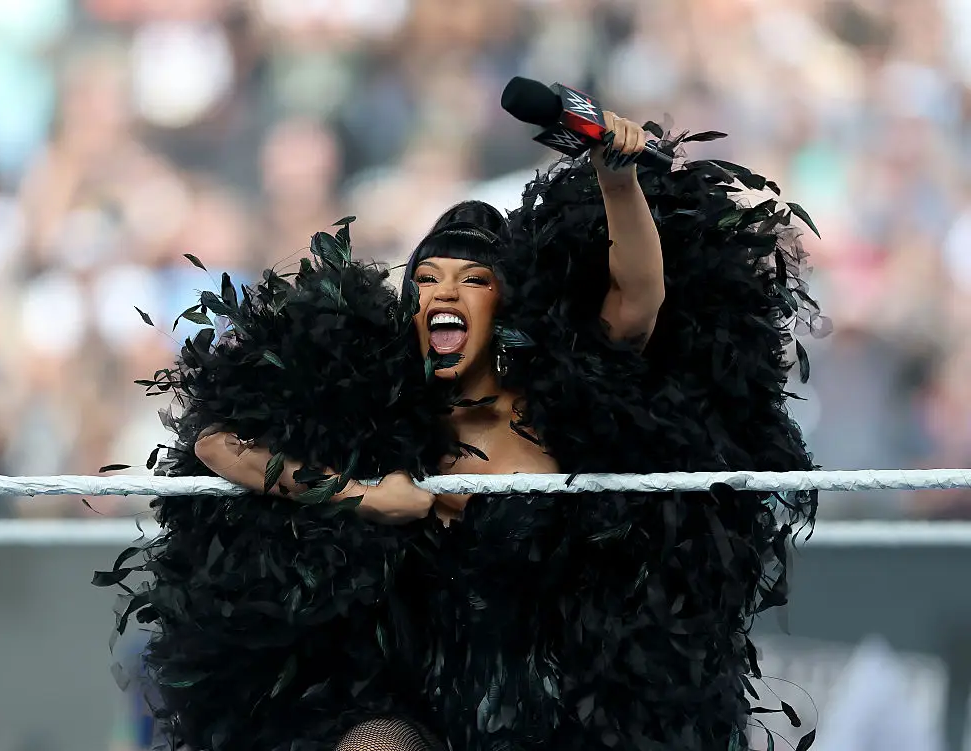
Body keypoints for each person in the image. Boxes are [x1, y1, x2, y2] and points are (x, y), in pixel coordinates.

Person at [96, 113, 823, 751]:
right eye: (428, 279)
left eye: (470, 279)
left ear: (504, 307)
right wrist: (363, 496)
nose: (444, 292)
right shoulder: (392, 415)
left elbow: (638, 302)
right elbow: (218, 443)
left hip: (562, 717)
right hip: (415, 708)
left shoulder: (558, 401)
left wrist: (617, 178)